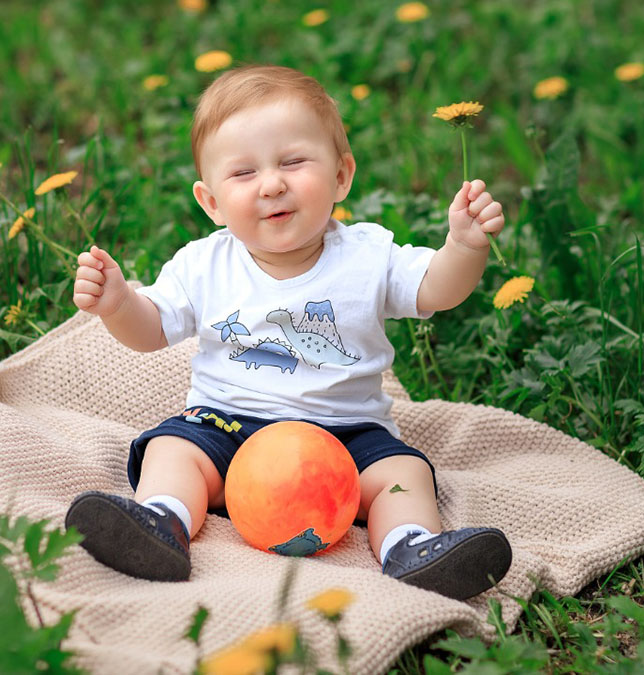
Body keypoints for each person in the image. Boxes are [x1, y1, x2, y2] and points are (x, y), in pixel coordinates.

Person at [64, 64, 511, 600]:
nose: (272, 184)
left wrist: (463, 248)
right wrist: (118, 304)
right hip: (226, 427)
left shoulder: (369, 256)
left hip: (346, 435)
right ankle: (162, 521)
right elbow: (152, 329)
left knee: (403, 472)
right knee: (172, 450)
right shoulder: (204, 265)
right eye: (244, 173)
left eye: (294, 162)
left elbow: (437, 290)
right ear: (211, 202)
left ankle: (411, 546)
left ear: (342, 175)